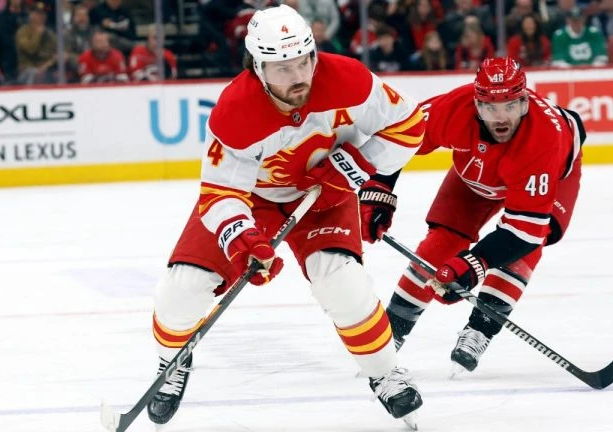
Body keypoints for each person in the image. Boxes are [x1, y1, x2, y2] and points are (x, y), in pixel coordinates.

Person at [146, 4, 426, 427]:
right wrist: (243, 239)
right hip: (255, 200)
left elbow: (409, 124)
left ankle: (384, 372)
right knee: (183, 289)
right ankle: (171, 363)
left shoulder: (350, 79)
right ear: (256, 67)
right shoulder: (235, 110)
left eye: (303, 62)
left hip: (325, 197)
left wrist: (356, 167)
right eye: (281, 68)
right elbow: (221, 191)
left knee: (341, 282)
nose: (297, 77)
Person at [358, 57, 586, 374]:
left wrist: (474, 264)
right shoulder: (455, 108)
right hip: (475, 176)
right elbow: (400, 136)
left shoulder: (543, 139)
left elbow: (524, 232)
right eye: (491, 108)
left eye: (510, 106)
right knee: (439, 246)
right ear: (476, 104)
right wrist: (379, 188)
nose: (501, 117)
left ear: (525, 101)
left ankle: (480, 328)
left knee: (527, 246)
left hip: (553, 176)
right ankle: (390, 335)